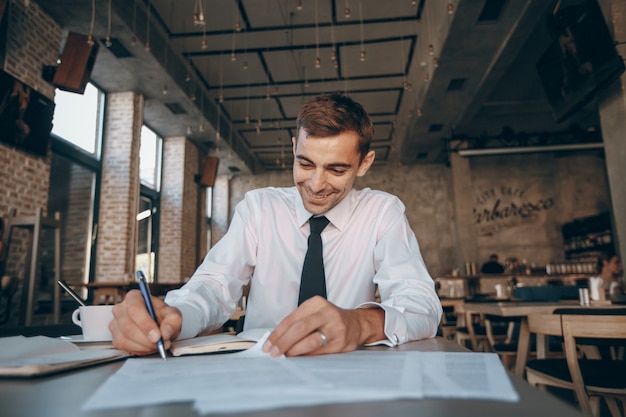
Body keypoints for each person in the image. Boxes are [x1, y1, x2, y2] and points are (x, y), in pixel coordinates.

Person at [109, 93, 442, 357]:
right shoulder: (259, 208)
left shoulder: (382, 212)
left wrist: (359, 323)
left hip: (347, 369)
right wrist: (175, 316)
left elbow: (421, 306)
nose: (316, 183)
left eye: (337, 169)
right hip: (259, 366)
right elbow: (214, 286)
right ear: (294, 147)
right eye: (305, 163)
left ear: (364, 163)